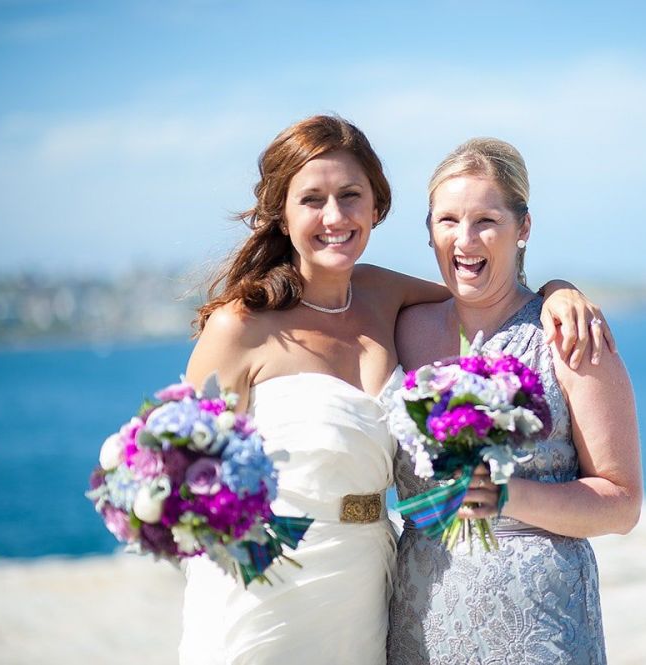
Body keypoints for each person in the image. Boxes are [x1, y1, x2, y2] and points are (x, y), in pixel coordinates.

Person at [177, 116, 612, 664]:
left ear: (376, 207)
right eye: (312, 199)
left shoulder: (385, 296)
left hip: (369, 579)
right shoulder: (239, 328)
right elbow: (184, 481)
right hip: (269, 583)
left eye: (351, 195)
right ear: (281, 217)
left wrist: (557, 292)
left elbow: (488, 292)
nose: (334, 216)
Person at [388, 138, 643, 664]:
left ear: (522, 228)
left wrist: (508, 495)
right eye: (448, 220)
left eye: (486, 220)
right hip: (418, 619)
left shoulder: (571, 338)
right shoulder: (403, 328)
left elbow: (622, 503)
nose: (465, 239)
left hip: (540, 626)